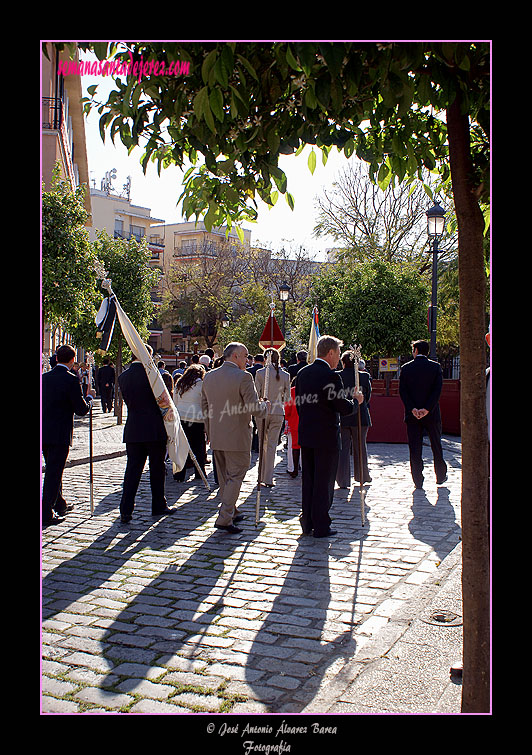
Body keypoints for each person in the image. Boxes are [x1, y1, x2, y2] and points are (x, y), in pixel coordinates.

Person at [295, 335, 363, 538]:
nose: (338, 358)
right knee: (324, 483)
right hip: (326, 436)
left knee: (309, 480)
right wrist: (356, 401)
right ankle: (321, 525)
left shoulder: (303, 373)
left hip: (307, 433)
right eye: (338, 353)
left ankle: (307, 522)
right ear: (331, 352)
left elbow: (299, 404)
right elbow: (342, 407)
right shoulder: (331, 376)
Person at [201, 342, 270, 534]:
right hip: (237, 436)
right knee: (235, 476)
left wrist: (209, 431)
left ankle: (230, 509)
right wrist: (265, 407)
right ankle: (224, 517)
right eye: (245, 356)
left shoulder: (209, 376)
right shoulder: (243, 377)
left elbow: (204, 407)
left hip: (217, 434)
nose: (248, 360)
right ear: (235, 356)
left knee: (225, 478)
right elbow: (253, 408)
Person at [118, 344, 176, 523]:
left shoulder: (123, 376)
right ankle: (158, 504)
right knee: (156, 469)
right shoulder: (153, 376)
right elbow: (164, 404)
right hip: (154, 428)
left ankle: (126, 509)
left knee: (132, 470)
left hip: (134, 428)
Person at [41, 344, 95, 527]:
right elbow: (80, 409)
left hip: (45, 432)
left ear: (56, 358)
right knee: (54, 473)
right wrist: (89, 400)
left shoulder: (44, 378)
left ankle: (59, 503)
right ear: (72, 361)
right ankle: (46, 511)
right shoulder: (70, 379)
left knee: (53, 468)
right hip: (60, 433)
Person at [399, 339, 448, 490]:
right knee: (436, 444)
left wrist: (413, 409)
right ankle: (440, 475)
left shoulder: (406, 368)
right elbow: (437, 391)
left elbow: (403, 391)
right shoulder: (435, 367)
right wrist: (427, 409)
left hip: (412, 414)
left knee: (415, 447)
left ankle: (418, 480)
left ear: (416, 351)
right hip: (432, 413)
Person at [254, 348, 291, 487]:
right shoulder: (285, 375)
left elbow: (256, 393)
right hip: (277, 410)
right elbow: (287, 398)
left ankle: (260, 475)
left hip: (263, 410)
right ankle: (268, 478)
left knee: (262, 443)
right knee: (272, 445)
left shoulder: (260, 373)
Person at [336, 351, 372, 487]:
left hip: (343, 416)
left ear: (343, 362)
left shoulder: (338, 376)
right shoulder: (364, 376)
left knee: (343, 449)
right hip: (360, 415)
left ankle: (343, 480)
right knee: (360, 447)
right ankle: (362, 476)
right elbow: (367, 397)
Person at [173, 364, 207, 482]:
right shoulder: (202, 385)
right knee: (199, 447)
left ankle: (179, 474)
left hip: (181, 417)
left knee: (182, 446)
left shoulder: (180, 384)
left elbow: (175, 402)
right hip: (197, 419)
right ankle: (200, 472)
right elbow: (204, 403)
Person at [284, 377, 301, 478]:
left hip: (294, 421)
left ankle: (292, 468)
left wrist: (287, 418)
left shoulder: (291, 392)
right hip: (306, 421)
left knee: (292, 446)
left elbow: (287, 408)